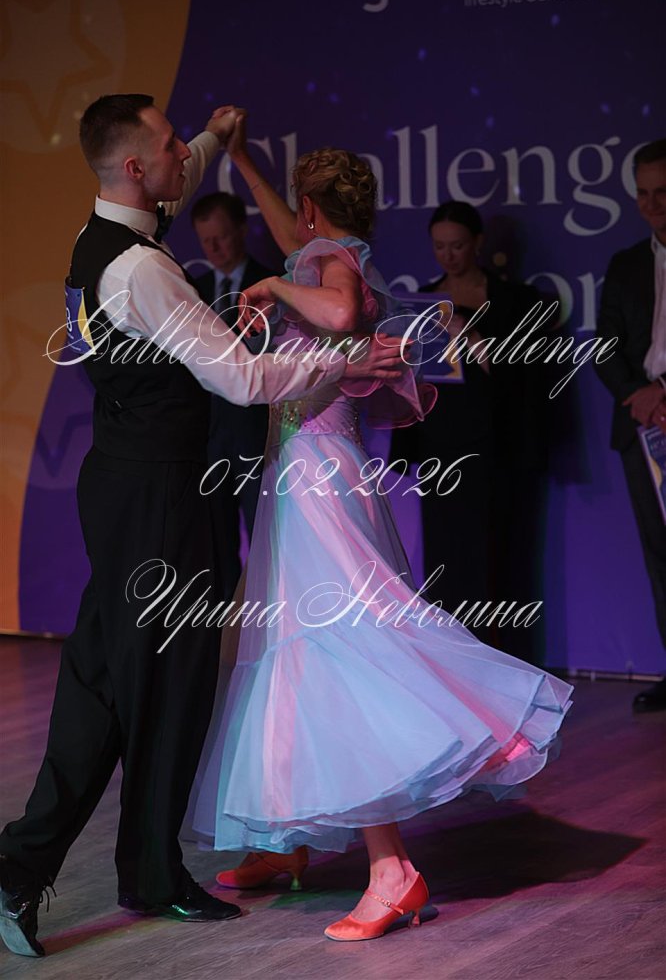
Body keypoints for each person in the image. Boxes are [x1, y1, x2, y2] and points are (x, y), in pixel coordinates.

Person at [0, 95, 405, 959]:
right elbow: (244, 380)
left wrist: (222, 140)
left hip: (131, 484)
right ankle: (26, 868)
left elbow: (179, 184)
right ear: (136, 167)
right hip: (160, 497)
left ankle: (140, 870)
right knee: (149, 685)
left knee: (116, 677)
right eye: (172, 142)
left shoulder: (102, 237)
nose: (185, 151)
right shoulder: (142, 270)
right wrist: (341, 360)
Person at [190, 112, 573, 943]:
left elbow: (333, 311)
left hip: (318, 475)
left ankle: (392, 869)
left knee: (340, 648)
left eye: (296, 213)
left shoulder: (326, 265)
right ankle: (284, 832)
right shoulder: (335, 247)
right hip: (306, 468)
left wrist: (273, 288)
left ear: (313, 211)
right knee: (286, 647)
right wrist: (244, 158)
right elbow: (303, 254)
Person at [391, 201, 547, 661]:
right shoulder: (423, 303)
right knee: (446, 563)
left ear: (477, 243)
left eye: (457, 245)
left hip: (498, 451)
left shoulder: (515, 301)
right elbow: (411, 381)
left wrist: (476, 342)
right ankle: (458, 667)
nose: (448, 255)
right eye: (439, 246)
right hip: (442, 450)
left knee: (503, 562)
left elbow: (529, 382)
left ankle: (511, 668)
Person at [595, 138, 666, 713]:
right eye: (643, 193)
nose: (652, 205)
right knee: (659, 554)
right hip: (642, 429)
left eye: (663, 192)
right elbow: (606, 347)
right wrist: (639, 397)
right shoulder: (625, 264)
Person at [192, 191, 277, 600]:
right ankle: (223, 629)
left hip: (255, 437)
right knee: (214, 545)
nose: (213, 247)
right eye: (205, 239)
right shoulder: (192, 291)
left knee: (265, 541)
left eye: (221, 236)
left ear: (242, 230)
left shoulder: (273, 285)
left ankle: (264, 626)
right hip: (207, 439)